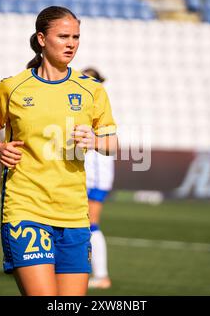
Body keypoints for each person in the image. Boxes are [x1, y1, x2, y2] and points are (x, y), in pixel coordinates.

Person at [0, 6, 118, 296]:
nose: (71, 43)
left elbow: (112, 143)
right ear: (42, 38)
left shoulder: (92, 90)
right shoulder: (12, 87)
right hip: (25, 209)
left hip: (74, 215)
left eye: (76, 37)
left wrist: (94, 141)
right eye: (63, 36)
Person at [81, 67, 114, 289]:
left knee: (91, 224)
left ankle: (101, 276)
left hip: (95, 174)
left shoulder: (94, 102)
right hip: (94, 172)